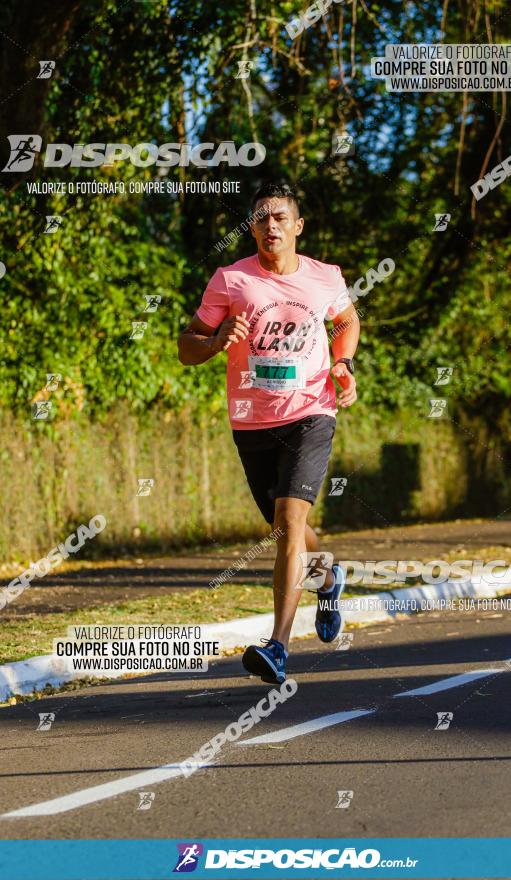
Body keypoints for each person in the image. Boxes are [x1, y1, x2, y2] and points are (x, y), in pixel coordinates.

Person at [178, 182, 359, 684]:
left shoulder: (325, 277)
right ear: (252, 228)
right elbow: (186, 347)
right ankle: (329, 575)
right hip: (252, 419)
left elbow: (346, 320)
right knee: (286, 531)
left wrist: (342, 363)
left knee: (288, 516)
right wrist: (215, 341)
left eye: (279, 217)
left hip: (311, 412)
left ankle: (278, 646)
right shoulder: (231, 280)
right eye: (261, 219)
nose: (270, 226)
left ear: (298, 225)